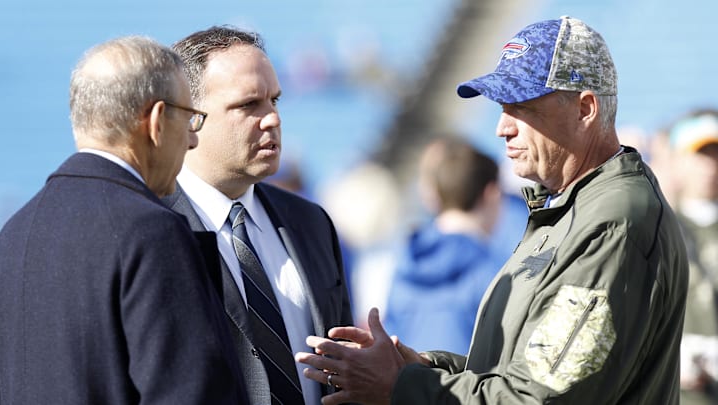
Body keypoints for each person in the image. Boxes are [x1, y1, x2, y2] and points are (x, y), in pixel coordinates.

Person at [296, 16, 688, 404]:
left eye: (522, 108)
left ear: (585, 109)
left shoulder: (613, 221)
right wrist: (420, 369)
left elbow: (541, 398)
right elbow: (518, 372)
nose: (502, 127)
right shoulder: (575, 206)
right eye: (503, 108)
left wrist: (402, 387)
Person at [0, 36, 246, 404]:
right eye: (190, 119)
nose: (192, 141)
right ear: (158, 121)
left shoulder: (15, 233)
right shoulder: (152, 231)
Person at [163, 26, 353, 405]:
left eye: (275, 101)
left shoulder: (310, 223)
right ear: (188, 118)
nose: (272, 120)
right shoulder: (149, 230)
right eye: (249, 105)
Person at [383, 135, 505, 354]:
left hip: (405, 386)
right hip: (463, 387)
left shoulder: (406, 261)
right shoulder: (493, 271)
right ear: (491, 194)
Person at [667, 109, 718, 404]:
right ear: (677, 160)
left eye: (715, 155)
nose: (710, 167)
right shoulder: (658, 229)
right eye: (701, 155)